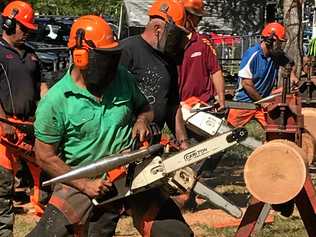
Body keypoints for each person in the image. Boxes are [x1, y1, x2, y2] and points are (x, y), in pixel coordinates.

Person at [27, 15, 193, 237]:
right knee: (48, 234)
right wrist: (83, 183)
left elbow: (145, 107)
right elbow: (44, 156)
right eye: (105, 58)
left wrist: (142, 120)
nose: (112, 65)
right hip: (81, 177)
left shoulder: (122, 77)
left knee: (173, 231)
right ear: (81, 57)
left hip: (129, 169)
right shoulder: (56, 101)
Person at [0, 1, 46, 236]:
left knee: (46, 177)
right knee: (3, 185)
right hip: (5, 129)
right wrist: (2, 121)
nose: (26, 32)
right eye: (23, 28)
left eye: (29, 29)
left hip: (29, 126)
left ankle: (47, 227)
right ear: (8, 23)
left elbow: (42, 87)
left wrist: (48, 113)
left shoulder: (31, 55)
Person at [119, 0, 190, 150]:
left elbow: (172, 105)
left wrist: (183, 142)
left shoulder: (168, 59)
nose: (176, 41)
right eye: (174, 34)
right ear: (158, 28)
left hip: (153, 143)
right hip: (126, 143)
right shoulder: (126, 50)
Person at [227, 22, 298, 128]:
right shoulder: (252, 54)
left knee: (273, 130)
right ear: (270, 41)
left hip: (264, 101)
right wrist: (262, 102)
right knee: (229, 133)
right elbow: (247, 84)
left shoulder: (276, 54)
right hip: (244, 103)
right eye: (279, 43)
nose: (281, 46)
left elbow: (288, 63)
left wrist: (292, 76)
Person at [178, 0, 225, 109]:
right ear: (187, 15)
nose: (200, 20)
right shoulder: (168, 44)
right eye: (198, 17)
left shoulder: (203, 42)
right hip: (179, 104)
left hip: (202, 103)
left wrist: (221, 98)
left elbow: (216, 71)